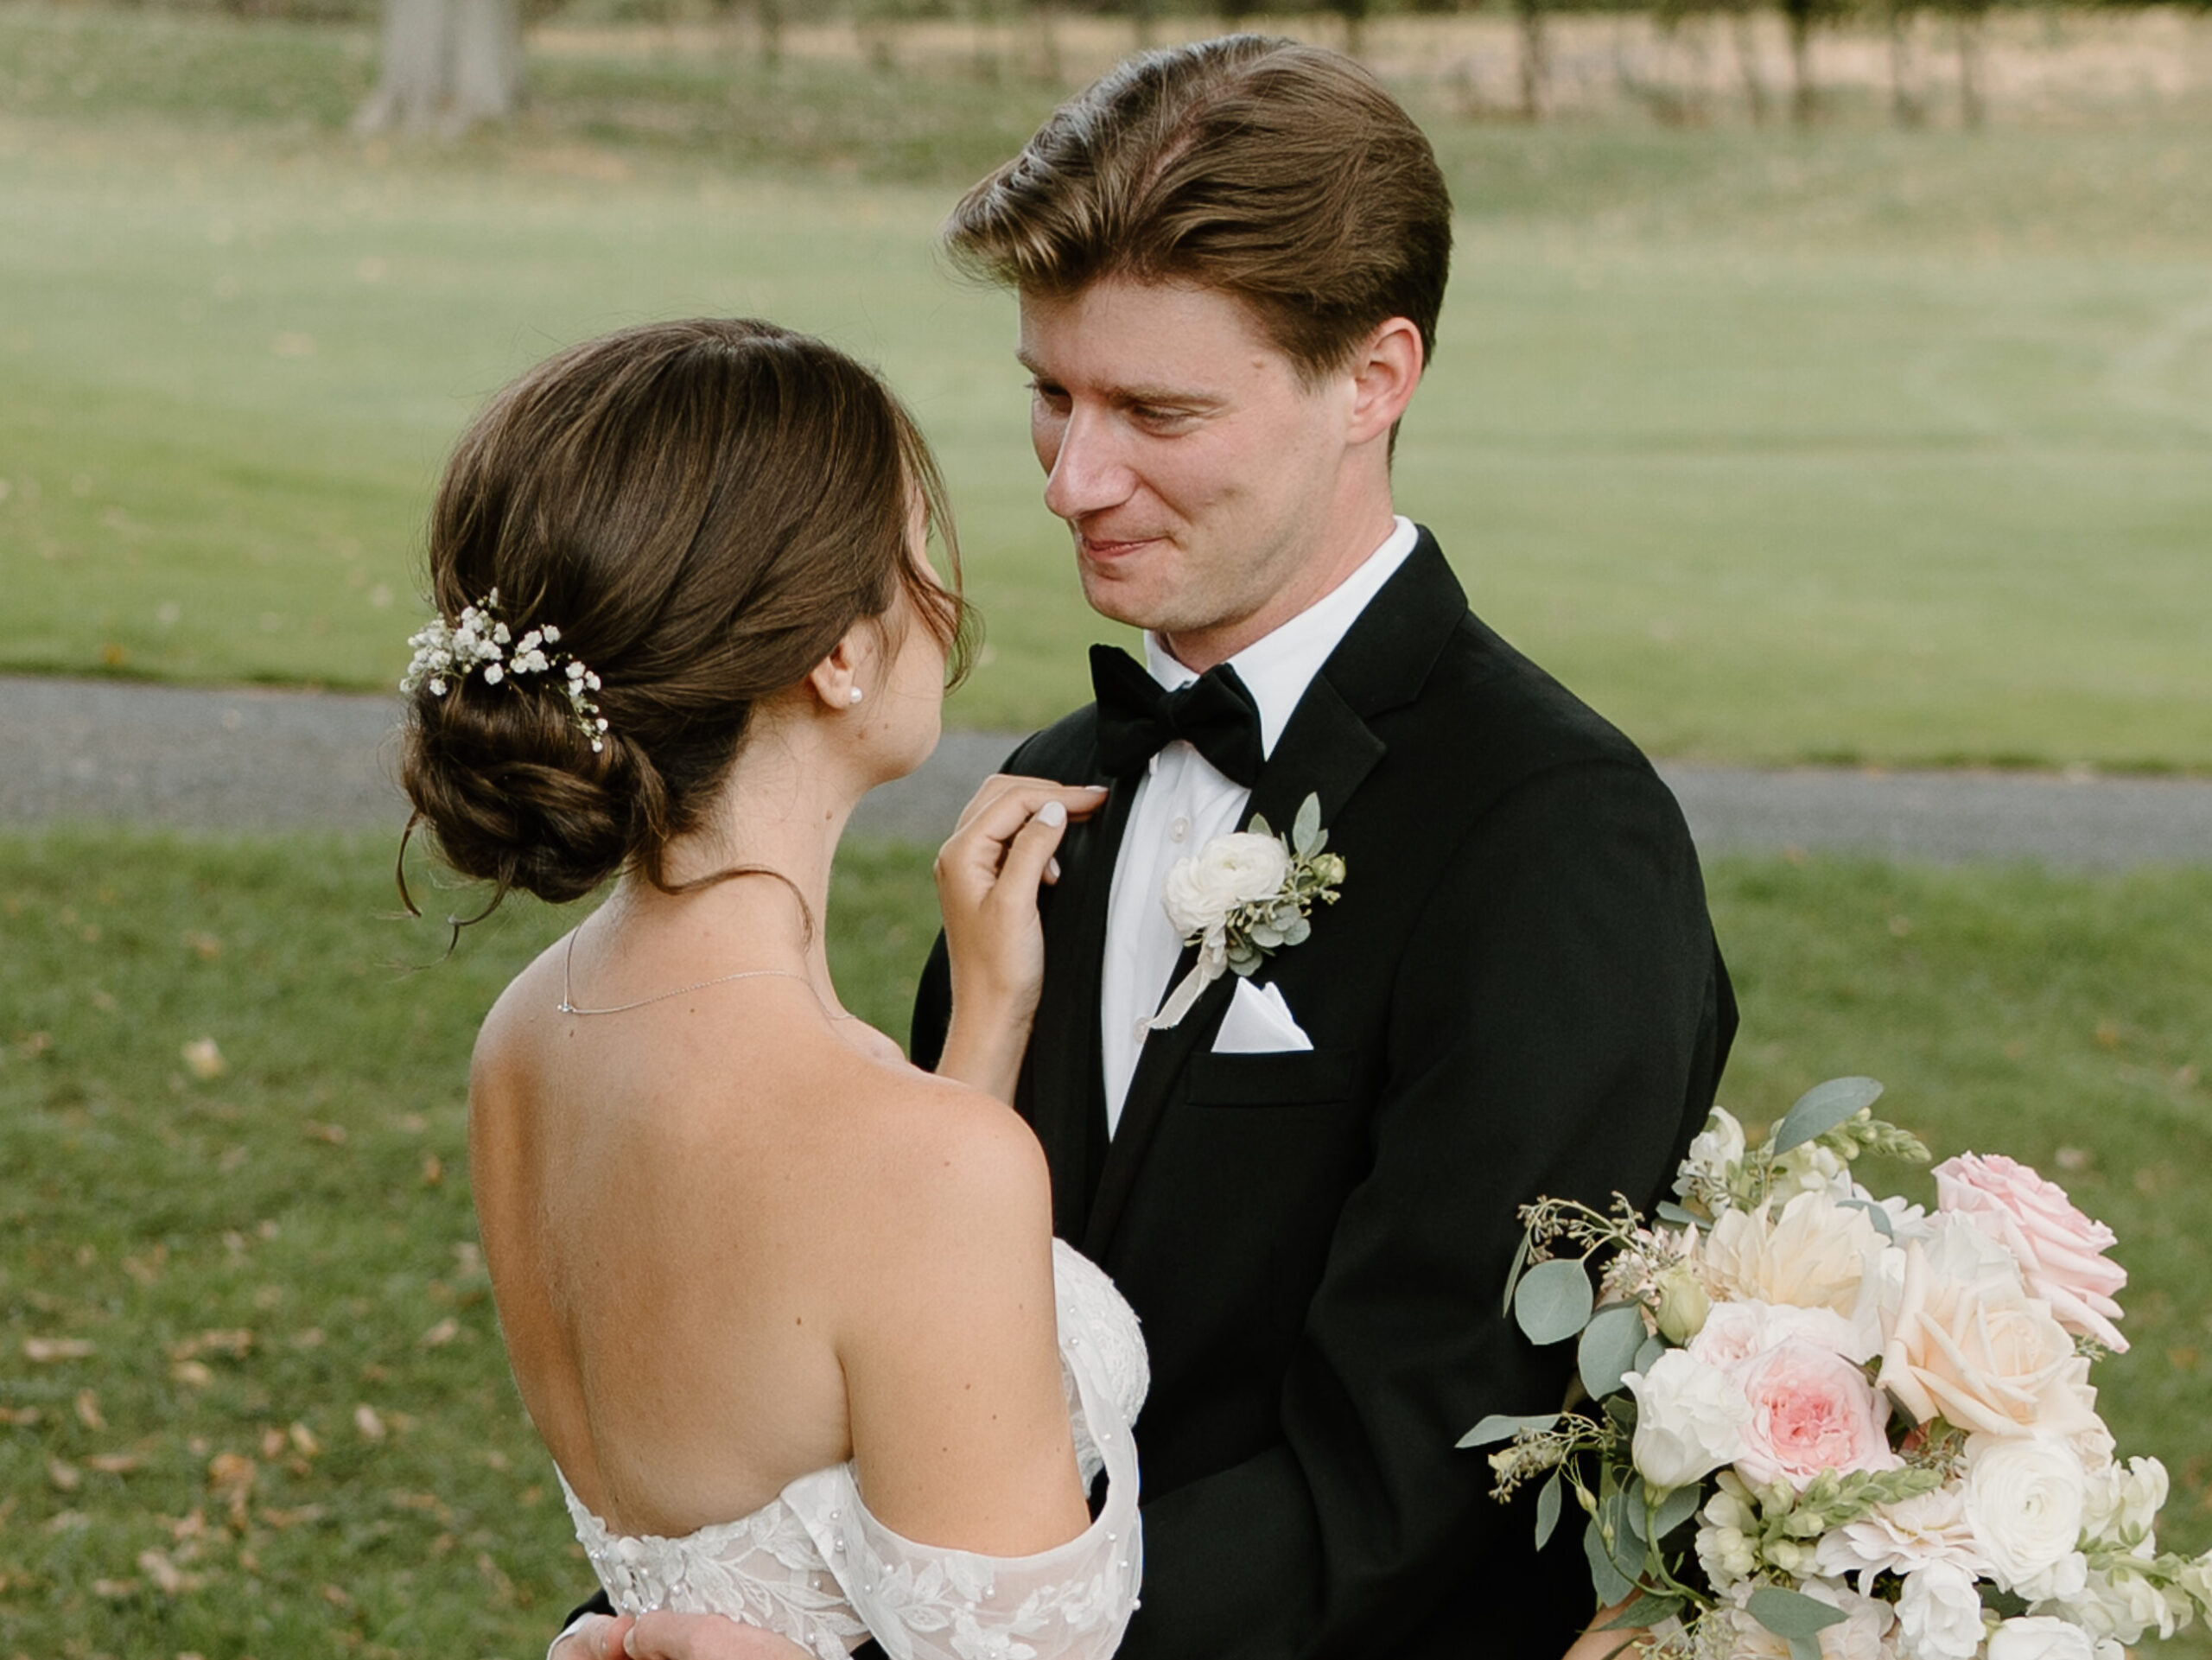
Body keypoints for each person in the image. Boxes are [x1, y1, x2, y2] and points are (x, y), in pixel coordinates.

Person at [558, 34, 1737, 1660]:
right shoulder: (1051, 793)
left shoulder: (1552, 836)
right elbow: (850, 1336)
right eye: (1051, 395)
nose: (1072, 479)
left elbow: (1413, 1469)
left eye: (1154, 409)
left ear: (1374, 379)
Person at [399, 317, 1148, 1660]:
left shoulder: (527, 1037)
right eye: (920, 548)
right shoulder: (925, 1171)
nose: (950, 593)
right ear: (840, 651)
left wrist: (986, 1025)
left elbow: (813, 1392)